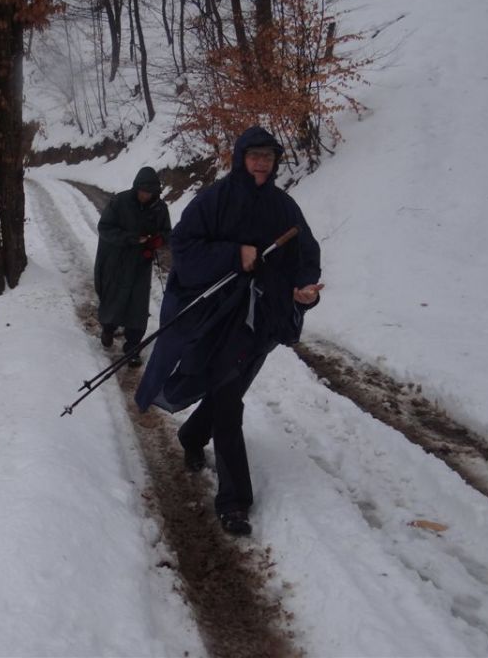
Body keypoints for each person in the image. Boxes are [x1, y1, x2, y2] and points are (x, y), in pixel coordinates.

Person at [134, 126, 323, 536]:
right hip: (218, 316)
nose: (261, 163)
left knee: (230, 390)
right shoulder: (215, 199)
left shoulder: (283, 206)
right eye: (254, 155)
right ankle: (235, 501)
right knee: (226, 397)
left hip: (266, 317)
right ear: (240, 158)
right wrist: (234, 254)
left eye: (268, 157)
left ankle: (192, 434)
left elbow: (306, 253)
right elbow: (182, 247)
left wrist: (305, 288)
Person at [94, 167, 172, 367]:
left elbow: (166, 232)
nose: (145, 196)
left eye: (149, 192)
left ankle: (133, 348)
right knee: (114, 297)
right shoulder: (120, 202)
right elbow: (104, 228)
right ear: (136, 188)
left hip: (141, 263)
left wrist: (155, 242)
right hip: (117, 259)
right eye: (142, 191)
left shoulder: (160, 208)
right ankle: (108, 329)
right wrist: (132, 239)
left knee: (137, 305)